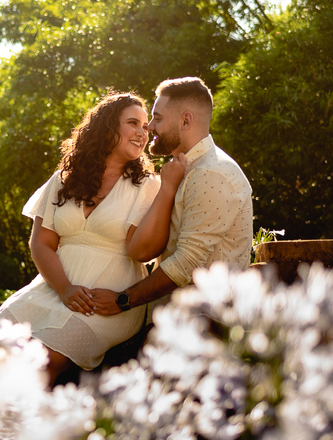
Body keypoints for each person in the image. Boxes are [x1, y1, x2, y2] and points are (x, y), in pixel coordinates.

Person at [0, 92, 187, 378]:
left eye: (145, 126)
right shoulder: (63, 179)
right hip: (53, 288)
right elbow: (41, 243)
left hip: (103, 300)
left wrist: (168, 189)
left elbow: (142, 252)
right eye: (133, 123)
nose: (143, 132)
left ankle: (23, 408)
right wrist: (64, 288)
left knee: (43, 359)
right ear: (107, 127)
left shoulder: (147, 186)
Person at [89, 76, 253, 318]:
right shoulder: (183, 170)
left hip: (204, 323)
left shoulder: (211, 173)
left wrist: (122, 300)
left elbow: (186, 263)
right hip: (175, 318)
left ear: (185, 120)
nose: (149, 126)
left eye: (158, 118)